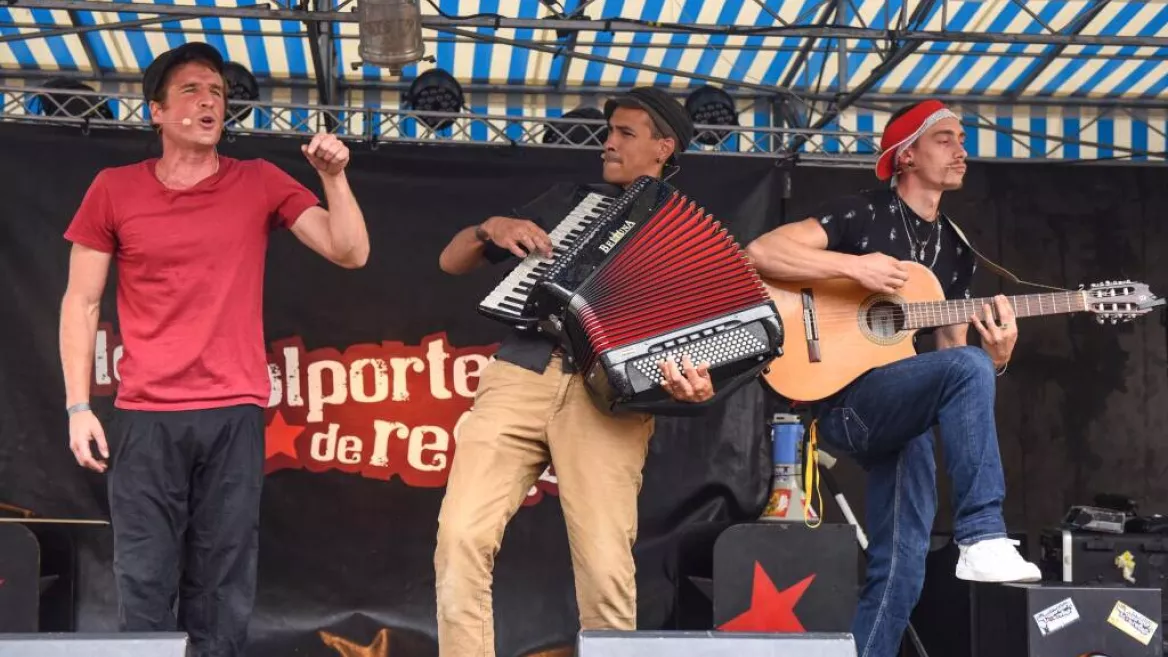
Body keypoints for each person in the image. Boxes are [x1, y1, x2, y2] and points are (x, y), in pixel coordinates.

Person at [58, 42, 369, 657]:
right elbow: (81, 302)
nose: (209, 102)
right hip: (146, 413)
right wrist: (77, 406)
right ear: (156, 111)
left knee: (222, 580)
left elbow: (350, 251)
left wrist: (333, 177)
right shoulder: (114, 189)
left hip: (232, 409)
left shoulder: (259, 180)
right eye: (192, 91)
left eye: (218, 94)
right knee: (143, 574)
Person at [744, 99, 1041, 657]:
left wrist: (997, 359)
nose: (961, 150)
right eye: (945, 139)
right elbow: (761, 252)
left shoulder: (956, 250)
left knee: (904, 565)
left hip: (902, 404)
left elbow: (952, 357)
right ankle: (981, 533)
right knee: (969, 367)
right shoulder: (863, 214)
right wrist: (854, 267)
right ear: (906, 155)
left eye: (961, 139)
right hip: (843, 403)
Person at [434, 87, 713, 657]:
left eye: (626, 134)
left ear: (663, 148)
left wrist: (698, 384)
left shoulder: (692, 237)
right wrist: (490, 228)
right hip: (521, 373)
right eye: (609, 132)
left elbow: (704, 348)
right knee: (459, 537)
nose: (608, 143)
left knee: (606, 571)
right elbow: (450, 260)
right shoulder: (569, 200)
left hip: (608, 402)